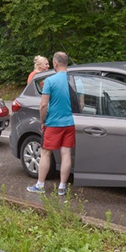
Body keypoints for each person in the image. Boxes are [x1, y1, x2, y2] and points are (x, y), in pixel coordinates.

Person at [27, 52, 74, 197]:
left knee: (46, 152)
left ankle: (40, 185)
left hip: (54, 123)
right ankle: (62, 187)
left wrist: (42, 121)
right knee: (66, 153)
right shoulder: (74, 81)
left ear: (56, 63)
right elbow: (82, 102)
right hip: (69, 123)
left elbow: (43, 105)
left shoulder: (50, 81)